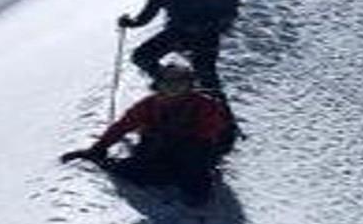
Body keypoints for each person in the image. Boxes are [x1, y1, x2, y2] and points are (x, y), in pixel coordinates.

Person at [60, 60, 237, 205]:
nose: (173, 87)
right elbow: (123, 125)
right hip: (161, 147)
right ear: (158, 84)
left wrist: (177, 141)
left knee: (192, 163)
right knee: (138, 172)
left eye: (180, 82)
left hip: (195, 149)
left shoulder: (205, 104)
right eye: (167, 82)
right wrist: (99, 147)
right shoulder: (150, 104)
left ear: (190, 84)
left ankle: (197, 190)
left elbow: (207, 134)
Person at [119, 0, 241, 92]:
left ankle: (212, 100)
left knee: (205, 73)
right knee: (141, 56)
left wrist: (205, 27)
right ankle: (169, 83)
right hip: (181, 34)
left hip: (204, 35)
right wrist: (130, 23)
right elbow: (145, 17)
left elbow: (224, 16)